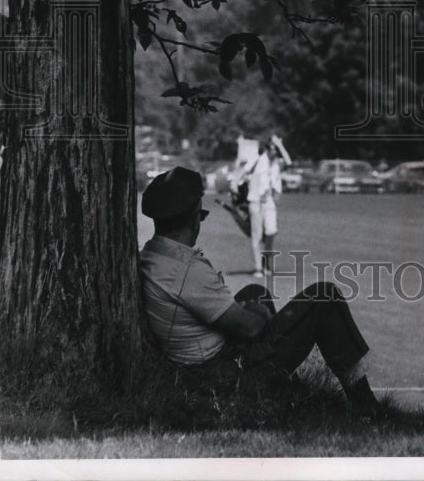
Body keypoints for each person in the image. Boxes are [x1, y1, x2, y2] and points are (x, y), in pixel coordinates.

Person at [139, 166, 380, 415]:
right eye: (201, 215)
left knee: (256, 291)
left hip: (197, 363)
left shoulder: (152, 255)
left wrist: (250, 308)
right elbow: (251, 327)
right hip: (221, 377)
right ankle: (366, 407)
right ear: (192, 217)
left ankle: (290, 392)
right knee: (325, 296)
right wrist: (257, 313)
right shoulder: (186, 270)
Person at [245, 136, 287, 277]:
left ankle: (266, 263)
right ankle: (258, 268)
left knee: (271, 232)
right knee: (256, 235)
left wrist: (280, 145)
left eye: (276, 150)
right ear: (267, 149)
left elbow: (289, 161)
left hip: (269, 201)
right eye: (273, 149)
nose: (274, 152)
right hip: (256, 200)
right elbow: (244, 170)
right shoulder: (257, 159)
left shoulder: (276, 163)